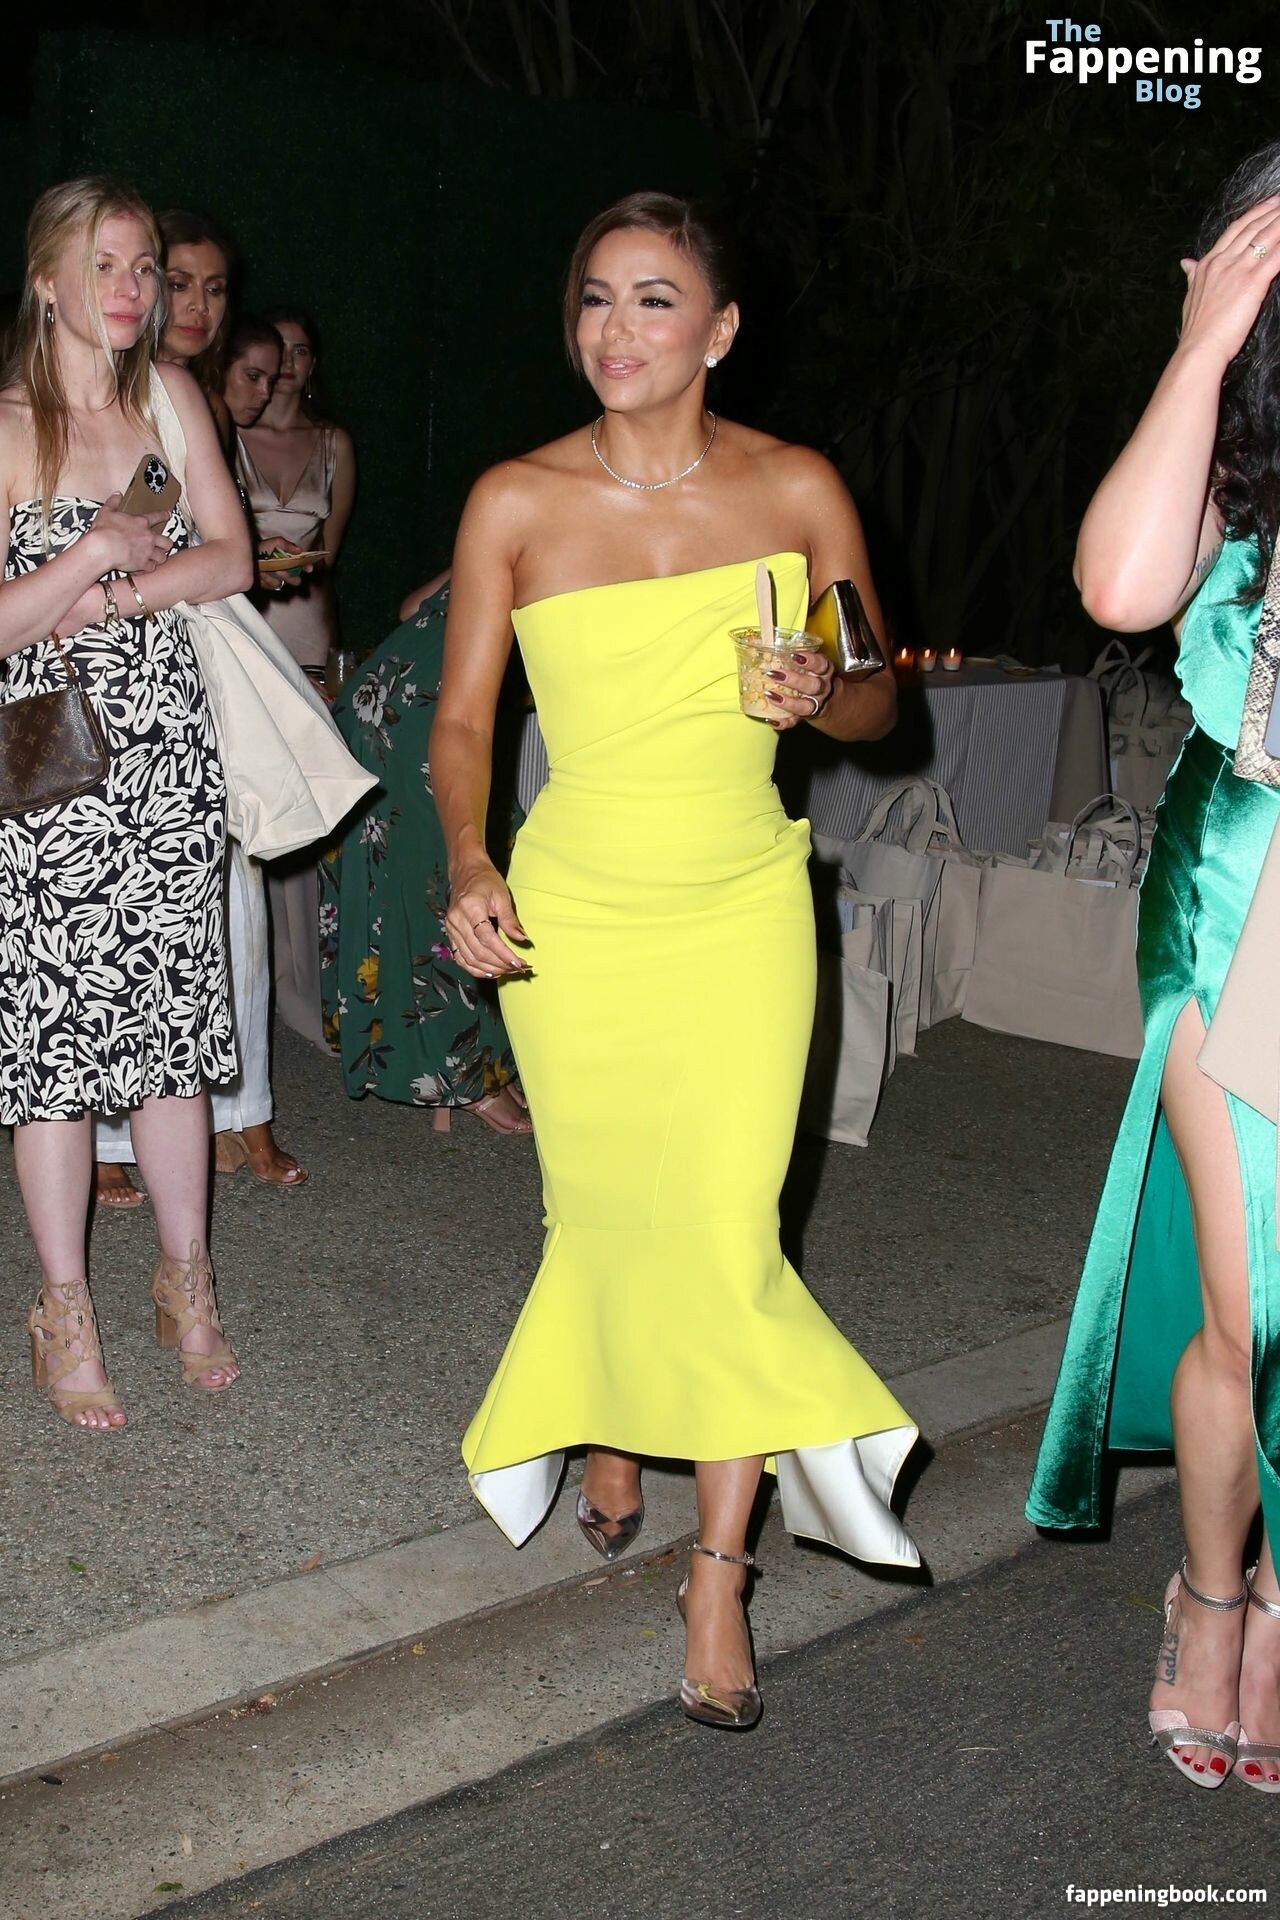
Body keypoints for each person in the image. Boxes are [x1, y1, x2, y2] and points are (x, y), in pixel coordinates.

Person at [435, 192, 919, 1729]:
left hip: (739, 908)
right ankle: (613, 1416)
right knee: (600, 1203)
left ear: (719, 330)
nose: (616, 328)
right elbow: (464, 721)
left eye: (655, 299)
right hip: (577, 910)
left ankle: (721, 1571)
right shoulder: (515, 500)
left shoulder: (797, 490)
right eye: (595, 296)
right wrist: (469, 860)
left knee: (724, 1227)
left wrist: (821, 690)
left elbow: (878, 699)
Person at [1026, 146, 1280, 1794]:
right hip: (1245, 893)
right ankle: (1211, 1594)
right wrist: (1200, 349)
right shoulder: (1239, 468)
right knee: (1255, 1310)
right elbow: (1120, 586)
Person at [0, 176, 253, 1428]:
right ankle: (64, 1307)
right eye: (103, 264)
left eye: (144, 265)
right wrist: (94, 549)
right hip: (49, 769)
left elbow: (232, 557)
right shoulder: (7, 426)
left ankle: (184, 1286)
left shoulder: (170, 399)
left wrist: (112, 596)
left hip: (165, 754)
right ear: (46, 280)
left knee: (171, 1029)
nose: (133, 287)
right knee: (54, 1048)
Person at [93, 306, 308, 1193]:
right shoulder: (88, 398)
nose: (193, 304)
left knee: (230, 908)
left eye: (211, 287)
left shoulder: (186, 398)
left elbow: (228, 557)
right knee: (103, 922)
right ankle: (109, 1143)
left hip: (198, 673)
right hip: (96, 680)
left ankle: (243, 1112)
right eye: (177, 280)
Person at [320, 574, 530, 1133]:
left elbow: (412, 605)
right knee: (449, 888)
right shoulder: (568, 534)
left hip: (377, 699)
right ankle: (461, 1078)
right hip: (426, 718)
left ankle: (478, 1064)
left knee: (413, 884)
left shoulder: (504, 528)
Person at [238, 307, 355, 1046]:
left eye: (302, 351)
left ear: (313, 365)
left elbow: (329, 554)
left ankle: (304, 985)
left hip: (308, 628)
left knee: (307, 802)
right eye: (276, 350)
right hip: (244, 629)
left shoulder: (333, 442)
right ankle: (254, 981)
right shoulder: (225, 430)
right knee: (250, 805)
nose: (287, 364)